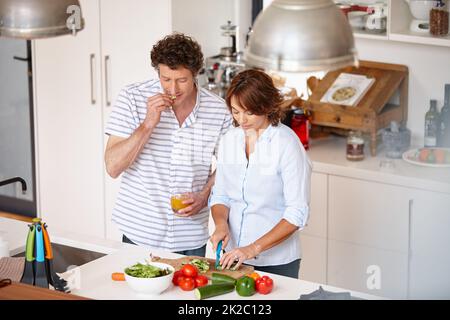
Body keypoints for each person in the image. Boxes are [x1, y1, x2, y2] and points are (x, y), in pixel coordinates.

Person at [104, 33, 232, 256]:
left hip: (190, 236)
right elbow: (113, 167)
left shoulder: (218, 109)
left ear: (195, 74)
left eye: (182, 80)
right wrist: (147, 124)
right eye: (166, 79)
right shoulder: (132, 98)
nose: (173, 90)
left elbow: (229, 167)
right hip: (139, 233)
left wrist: (204, 195)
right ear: (158, 72)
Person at [209, 69, 312, 278]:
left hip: (277, 262)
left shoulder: (287, 144)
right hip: (233, 257)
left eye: (249, 112)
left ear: (266, 106)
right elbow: (221, 195)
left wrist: (252, 249)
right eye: (236, 111)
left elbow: (296, 214)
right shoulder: (230, 139)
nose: (242, 120)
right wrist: (221, 225)